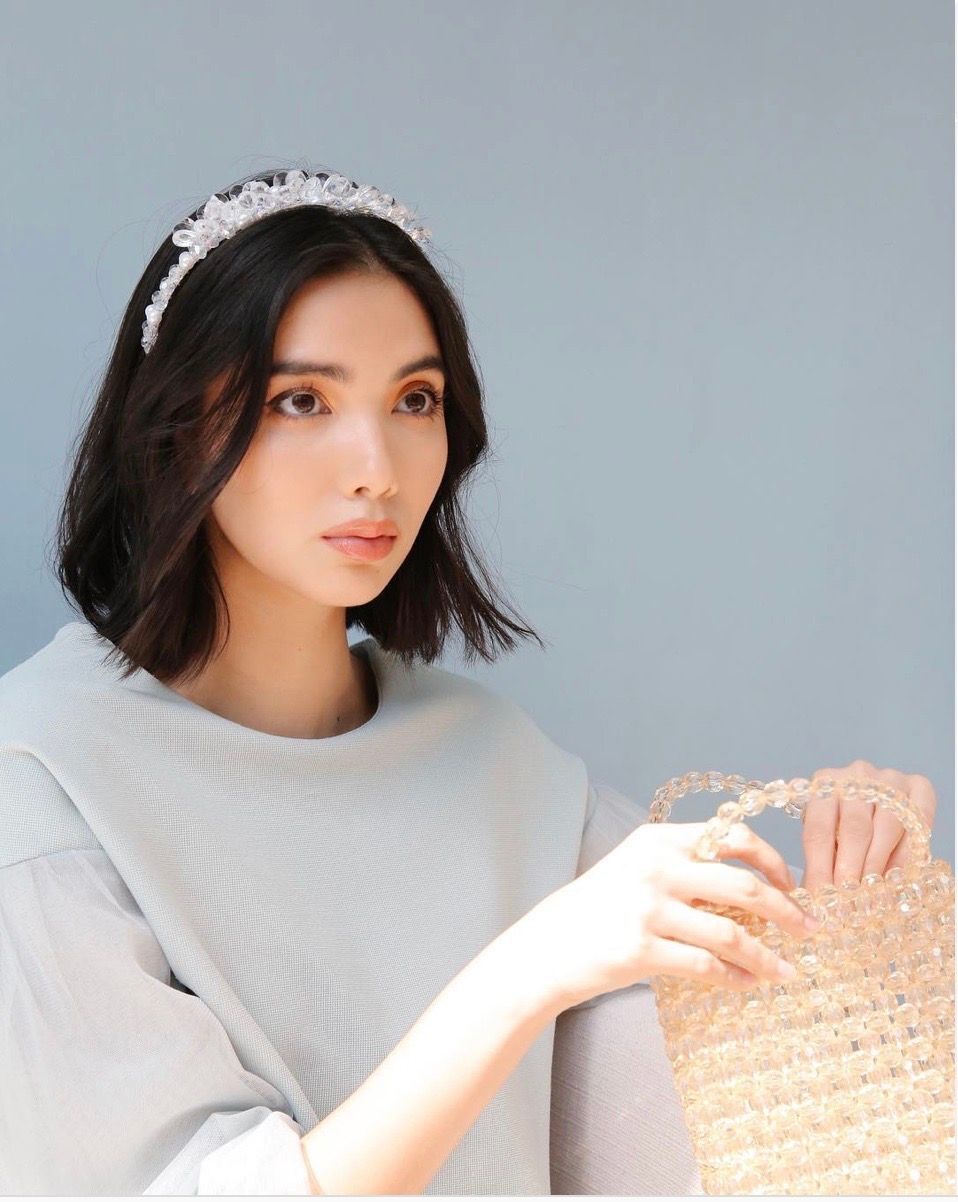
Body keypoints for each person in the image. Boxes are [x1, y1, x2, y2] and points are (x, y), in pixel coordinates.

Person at [0, 165, 938, 1196]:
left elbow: (748, 1088)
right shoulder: (45, 783)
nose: (378, 466)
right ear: (174, 429)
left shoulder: (486, 756)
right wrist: (522, 972)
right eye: (301, 399)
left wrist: (858, 885)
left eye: (415, 398)